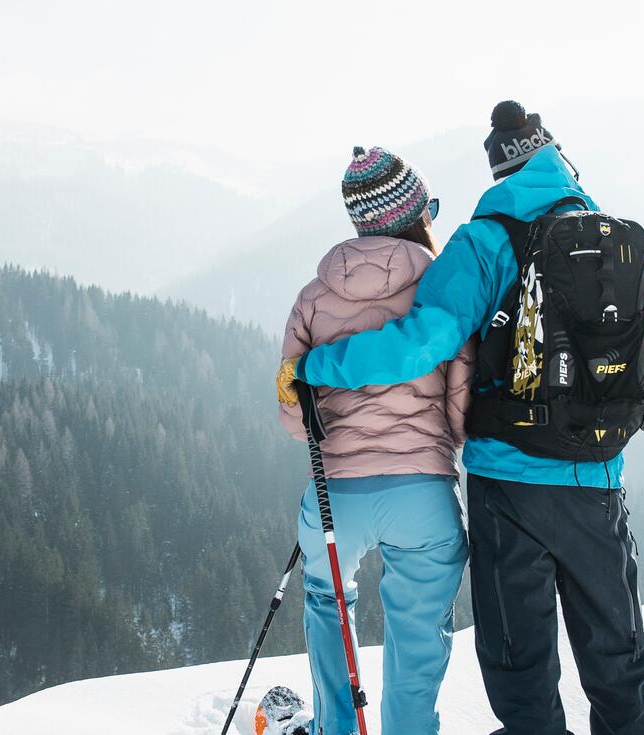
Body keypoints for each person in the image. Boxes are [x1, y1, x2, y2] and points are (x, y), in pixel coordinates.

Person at [276, 102, 644, 735]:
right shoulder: (608, 244)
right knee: (618, 666)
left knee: (521, 679)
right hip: (595, 484)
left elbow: (425, 339)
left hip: (507, 488)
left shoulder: (483, 242)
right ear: (555, 157)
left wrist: (319, 368)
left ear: (500, 172)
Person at [276, 146, 473, 735]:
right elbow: (462, 409)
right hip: (423, 495)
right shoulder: (440, 290)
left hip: (337, 493)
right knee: (416, 632)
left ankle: (336, 726)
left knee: (327, 601)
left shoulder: (314, 296)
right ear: (415, 214)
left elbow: (294, 414)